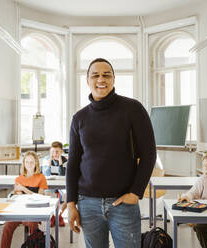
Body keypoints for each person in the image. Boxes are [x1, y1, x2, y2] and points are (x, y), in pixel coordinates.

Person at [66, 58, 156, 248]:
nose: (101, 79)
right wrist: (71, 203)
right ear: (87, 80)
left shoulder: (133, 109)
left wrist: (135, 193)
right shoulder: (79, 118)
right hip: (87, 203)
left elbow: (149, 154)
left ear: (114, 78)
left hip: (122, 203)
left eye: (106, 75)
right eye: (95, 75)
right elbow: (73, 162)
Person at [1, 151, 48, 248]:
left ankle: (32, 245)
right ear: (24, 163)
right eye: (27, 162)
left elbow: (39, 197)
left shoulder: (41, 178)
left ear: (36, 163)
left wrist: (23, 189)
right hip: (20, 211)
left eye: (32, 162)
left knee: (32, 224)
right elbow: (19, 198)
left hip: (34, 212)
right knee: (7, 227)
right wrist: (26, 193)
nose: (29, 165)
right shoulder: (18, 179)